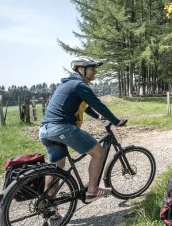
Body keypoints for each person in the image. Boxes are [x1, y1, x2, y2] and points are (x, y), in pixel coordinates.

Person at [39, 57, 126, 201]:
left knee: (57, 167)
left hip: (45, 130)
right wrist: (115, 121)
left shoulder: (67, 84)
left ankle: (49, 205)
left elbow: (85, 106)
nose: (95, 72)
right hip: (62, 128)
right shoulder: (80, 85)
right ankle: (92, 190)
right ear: (81, 69)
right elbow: (97, 104)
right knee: (98, 152)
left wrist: (97, 116)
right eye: (92, 69)